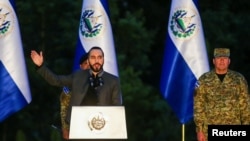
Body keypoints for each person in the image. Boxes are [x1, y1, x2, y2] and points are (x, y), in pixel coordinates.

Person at [30, 46, 123, 141]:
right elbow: (56, 80)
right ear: (89, 60)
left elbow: (116, 108)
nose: (96, 60)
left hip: (102, 130)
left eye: (99, 57)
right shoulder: (78, 76)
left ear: (103, 59)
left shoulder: (113, 81)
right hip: (78, 128)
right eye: (93, 57)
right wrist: (41, 66)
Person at [194, 48, 250, 141]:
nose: (222, 61)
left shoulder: (239, 79)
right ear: (214, 61)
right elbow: (198, 106)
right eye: (219, 58)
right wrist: (199, 130)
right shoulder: (203, 80)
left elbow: (245, 107)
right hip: (209, 131)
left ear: (229, 61)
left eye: (225, 58)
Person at [60, 53, 89, 140]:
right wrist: (65, 128)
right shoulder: (73, 83)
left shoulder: (103, 81)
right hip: (77, 127)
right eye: (86, 64)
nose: (88, 66)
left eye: (90, 63)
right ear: (81, 66)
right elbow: (64, 107)